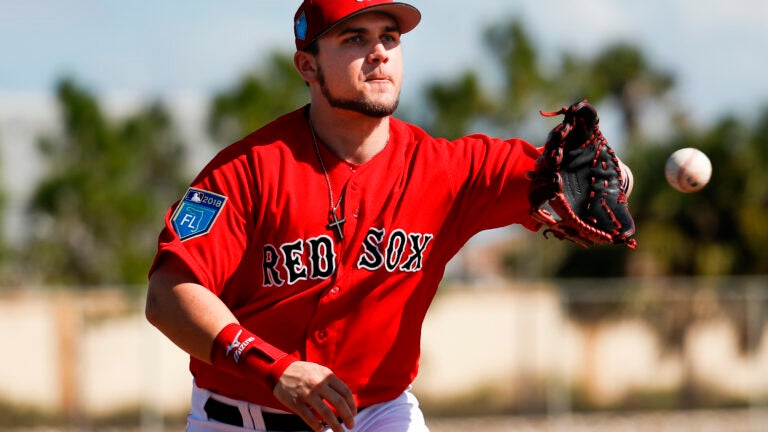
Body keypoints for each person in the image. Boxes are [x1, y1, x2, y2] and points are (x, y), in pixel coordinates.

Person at [146, 1, 621, 431]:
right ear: (307, 65)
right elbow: (168, 295)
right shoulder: (246, 170)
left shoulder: (447, 169)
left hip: (377, 415)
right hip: (240, 419)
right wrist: (273, 368)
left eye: (389, 38)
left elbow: (585, 176)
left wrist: (613, 177)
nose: (378, 52)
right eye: (354, 38)